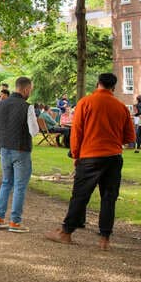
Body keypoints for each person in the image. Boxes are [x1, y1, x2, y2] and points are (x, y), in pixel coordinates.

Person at [45, 73, 135, 251]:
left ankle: (66, 232)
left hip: (90, 155)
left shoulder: (86, 102)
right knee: (109, 197)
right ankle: (104, 238)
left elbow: (76, 132)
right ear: (114, 87)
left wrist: (75, 155)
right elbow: (129, 137)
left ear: (98, 84)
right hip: (114, 156)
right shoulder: (121, 107)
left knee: (80, 195)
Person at [0, 76, 39, 233]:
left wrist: (4, 139)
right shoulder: (27, 107)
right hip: (21, 149)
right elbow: (34, 131)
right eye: (30, 90)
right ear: (25, 89)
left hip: (4, 147)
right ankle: (15, 222)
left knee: (6, 183)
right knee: (19, 186)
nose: (30, 92)